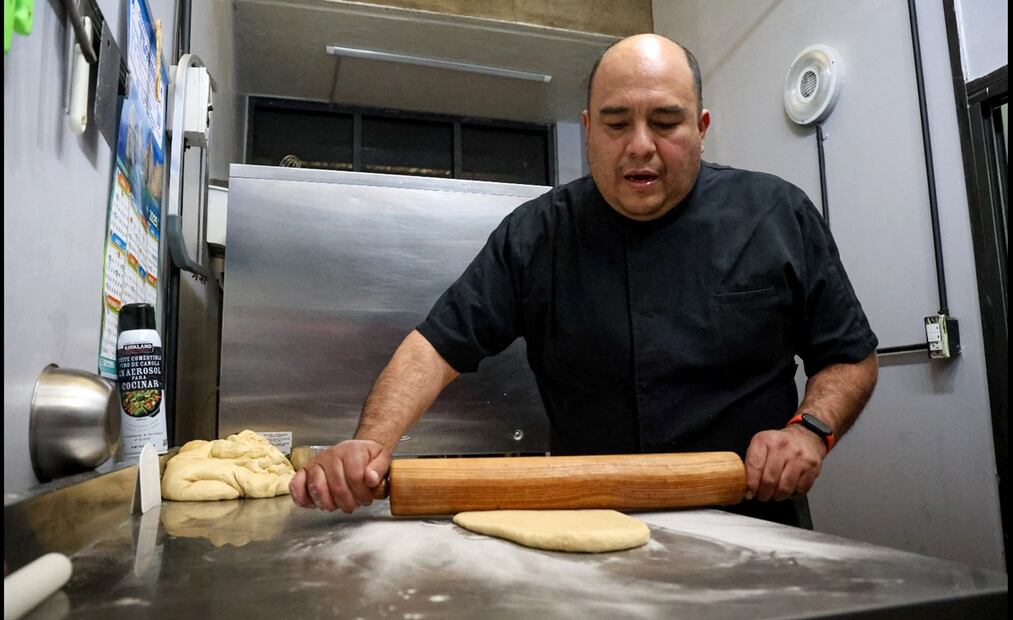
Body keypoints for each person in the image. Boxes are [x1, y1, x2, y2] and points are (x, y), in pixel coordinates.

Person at [289, 34, 879, 527]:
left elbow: (850, 356)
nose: (640, 146)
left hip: (756, 522)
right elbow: (435, 347)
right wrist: (370, 444)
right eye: (617, 123)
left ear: (701, 128)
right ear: (588, 130)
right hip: (590, 520)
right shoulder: (536, 235)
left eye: (666, 122)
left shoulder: (775, 214)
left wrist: (809, 431)